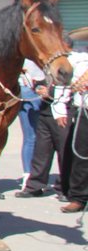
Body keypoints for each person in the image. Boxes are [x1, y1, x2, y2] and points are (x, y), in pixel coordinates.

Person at [16, 39, 70, 199]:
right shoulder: (48, 60)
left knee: (63, 147)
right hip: (45, 106)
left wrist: (50, 93)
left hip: (62, 108)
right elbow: (41, 80)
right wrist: (40, 88)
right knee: (41, 146)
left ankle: (65, 186)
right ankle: (35, 184)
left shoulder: (71, 62)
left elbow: (68, 85)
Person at [57, 28, 88, 213]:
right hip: (83, 109)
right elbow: (63, 84)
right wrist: (59, 110)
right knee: (81, 155)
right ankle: (78, 196)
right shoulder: (77, 58)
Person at [16, 59, 44, 187]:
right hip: (29, 93)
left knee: (36, 137)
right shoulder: (27, 57)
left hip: (35, 92)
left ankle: (33, 174)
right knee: (31, 137)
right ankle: (28, 174)